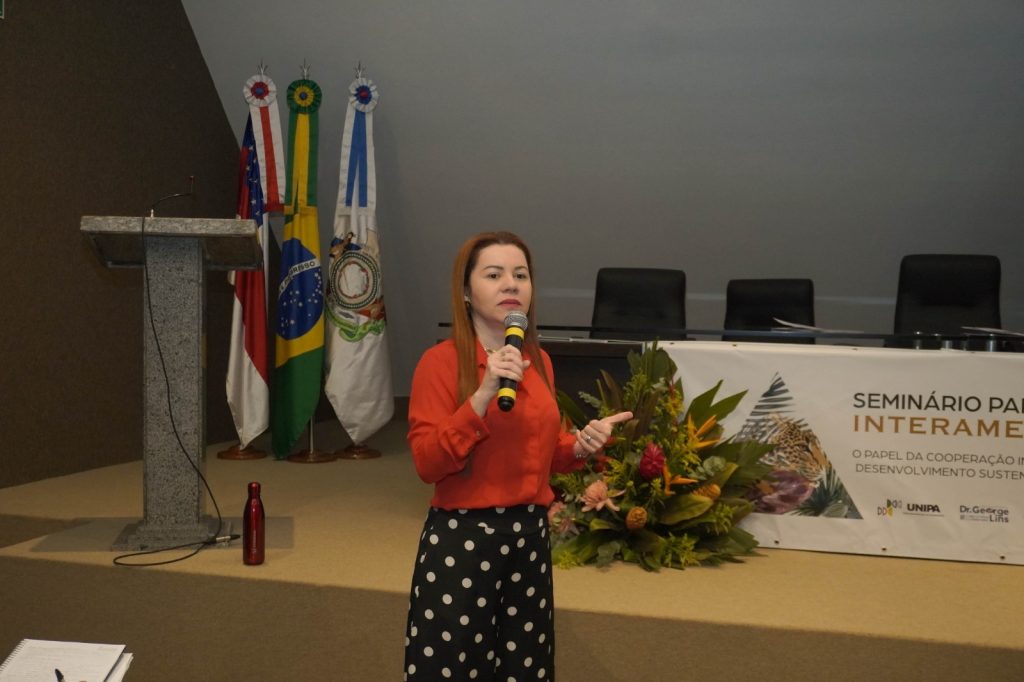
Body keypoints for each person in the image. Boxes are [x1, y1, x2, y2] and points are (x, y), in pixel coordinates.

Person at [404, 231, 632, 681]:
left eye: (520, 275)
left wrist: (581, 444)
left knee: (524, 667)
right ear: (466, 291)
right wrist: (483, 395)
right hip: (463, 542)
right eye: (494, 275)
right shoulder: (440, 363)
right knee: (455, 669)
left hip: (528, 539)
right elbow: (428, 463)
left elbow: (543, 452)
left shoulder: (539, 361)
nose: (511, 284)